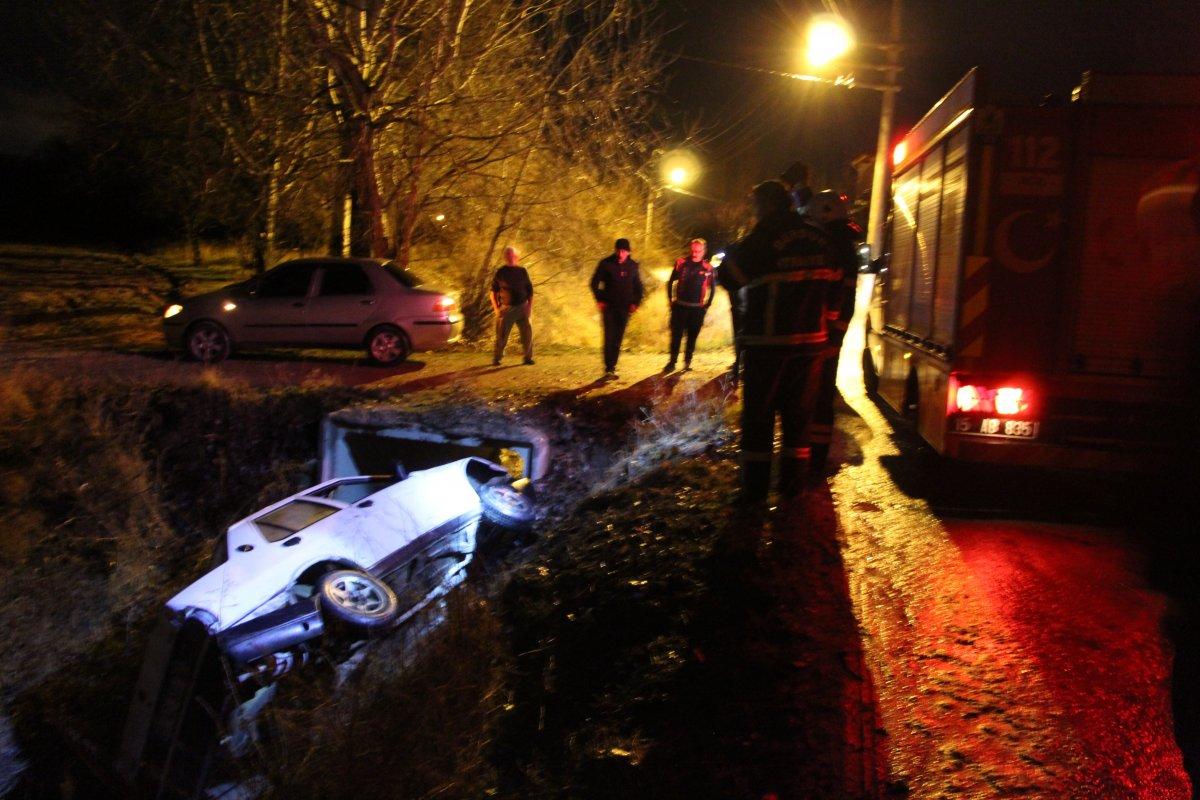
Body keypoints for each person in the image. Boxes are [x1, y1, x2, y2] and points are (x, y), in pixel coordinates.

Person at [721, 180, 839, 502]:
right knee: (798, 420)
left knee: (759, 419)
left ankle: (755, 491)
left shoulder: (762, 239)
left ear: (766, 205)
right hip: (811, 347)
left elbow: (729, 277)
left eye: (756, 205)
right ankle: (792, 489)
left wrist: (734, 250)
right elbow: (836, 289)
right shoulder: (821, 239)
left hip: (768, 346)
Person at [806, 190, 865, 472]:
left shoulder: (834, 248)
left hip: (825, 336)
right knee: (821, 394)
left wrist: (833, 337)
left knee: (818, 396)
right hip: (828, 335)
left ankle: (815, 459)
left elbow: (841, 299)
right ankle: (815, 455)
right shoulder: (843, 246)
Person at [590, 237, 644, 380]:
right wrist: (599, 299)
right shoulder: (606, 264)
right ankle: (608, 368)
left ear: (628, 252)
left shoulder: (633, 266)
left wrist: (635, 303)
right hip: (609, 307)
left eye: (624, 251)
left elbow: (638, 287)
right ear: (615, 250)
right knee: (609, 337)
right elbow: (594, 283)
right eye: (619, 250)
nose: (621, 254)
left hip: (625, 308)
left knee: (618, 338)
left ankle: (612, 367)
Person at [664, 238, 716, 372]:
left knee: (692, 337)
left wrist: (707, 305)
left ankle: (687, 363)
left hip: (696, 309)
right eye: (693, 250)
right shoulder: (681, 263)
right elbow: (670, 282)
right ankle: (672, 362)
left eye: (698, 251)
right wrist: (670, 299)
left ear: (704, 251)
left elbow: (713, 288)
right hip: (680, 307)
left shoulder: (708, 268)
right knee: (676, 337)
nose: (694, 253)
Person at [490, 245, 534, 366]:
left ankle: (528, 358)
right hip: (507, 308)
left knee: (527, 334)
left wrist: (529, 307)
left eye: (512, 255)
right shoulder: (501, 272)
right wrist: (496, 308)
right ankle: (497, 358)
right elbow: (493, 292)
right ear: (505, 257)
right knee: (501, 335)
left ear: (516, 256)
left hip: (523, 306)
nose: (510, 257)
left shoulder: (522, 271)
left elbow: (530, 290)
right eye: (507, 255)